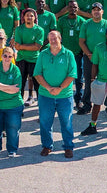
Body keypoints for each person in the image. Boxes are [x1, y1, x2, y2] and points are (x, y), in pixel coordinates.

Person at [34, 30, 76, 158]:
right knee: (45, 122)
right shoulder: (43, 54)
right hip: (46, 95)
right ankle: (47, 146)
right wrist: (48, 88)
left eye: (55, 38)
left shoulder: (68, 54)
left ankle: (68, 147)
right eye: (50, 38)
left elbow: (72, 74)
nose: (53, 41)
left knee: (66, 122)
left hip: (64, 95)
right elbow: (37, 74)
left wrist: (59, 88)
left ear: (60, 38)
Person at [0, 46, 23, 157]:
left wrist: (0, 86)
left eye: (10, 56)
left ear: (13, 57)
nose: (7, 58)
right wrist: (8, 87)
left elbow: (16, 90)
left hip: (13, 104)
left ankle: (12, 149)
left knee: (13, 128)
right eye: (5, 55)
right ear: (1, 56)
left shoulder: (15, 70)